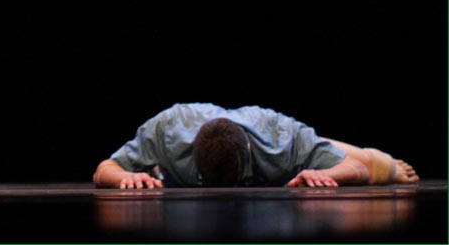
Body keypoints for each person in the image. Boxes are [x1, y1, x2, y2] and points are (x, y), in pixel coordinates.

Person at [93, 102, 419, 189]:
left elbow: (356, 168)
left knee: (375, 166)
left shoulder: (280, 137)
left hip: (267, 132)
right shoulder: (168, 130)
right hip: (197, 124)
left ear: (248, 155)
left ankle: (385, 161)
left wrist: (322, 174)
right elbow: (103, 170)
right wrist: (123, 176)